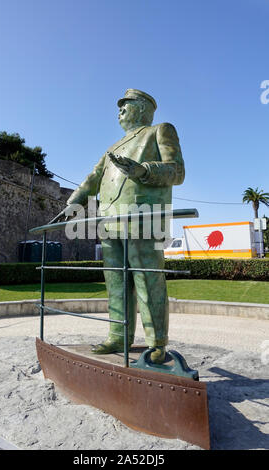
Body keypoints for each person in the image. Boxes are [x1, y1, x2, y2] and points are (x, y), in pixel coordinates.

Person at [63, 89, 185, 363]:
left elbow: (177, 171)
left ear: (142, 109)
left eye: (125, 106)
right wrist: (74, 202)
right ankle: (118, 336)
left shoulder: (159, 131)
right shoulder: (113, 147)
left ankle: (156, 343)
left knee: (147, 278)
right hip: (109, 220)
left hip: (143, 218)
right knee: (115, 281)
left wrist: (143, 170)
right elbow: (93, 178)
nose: (119, 111)